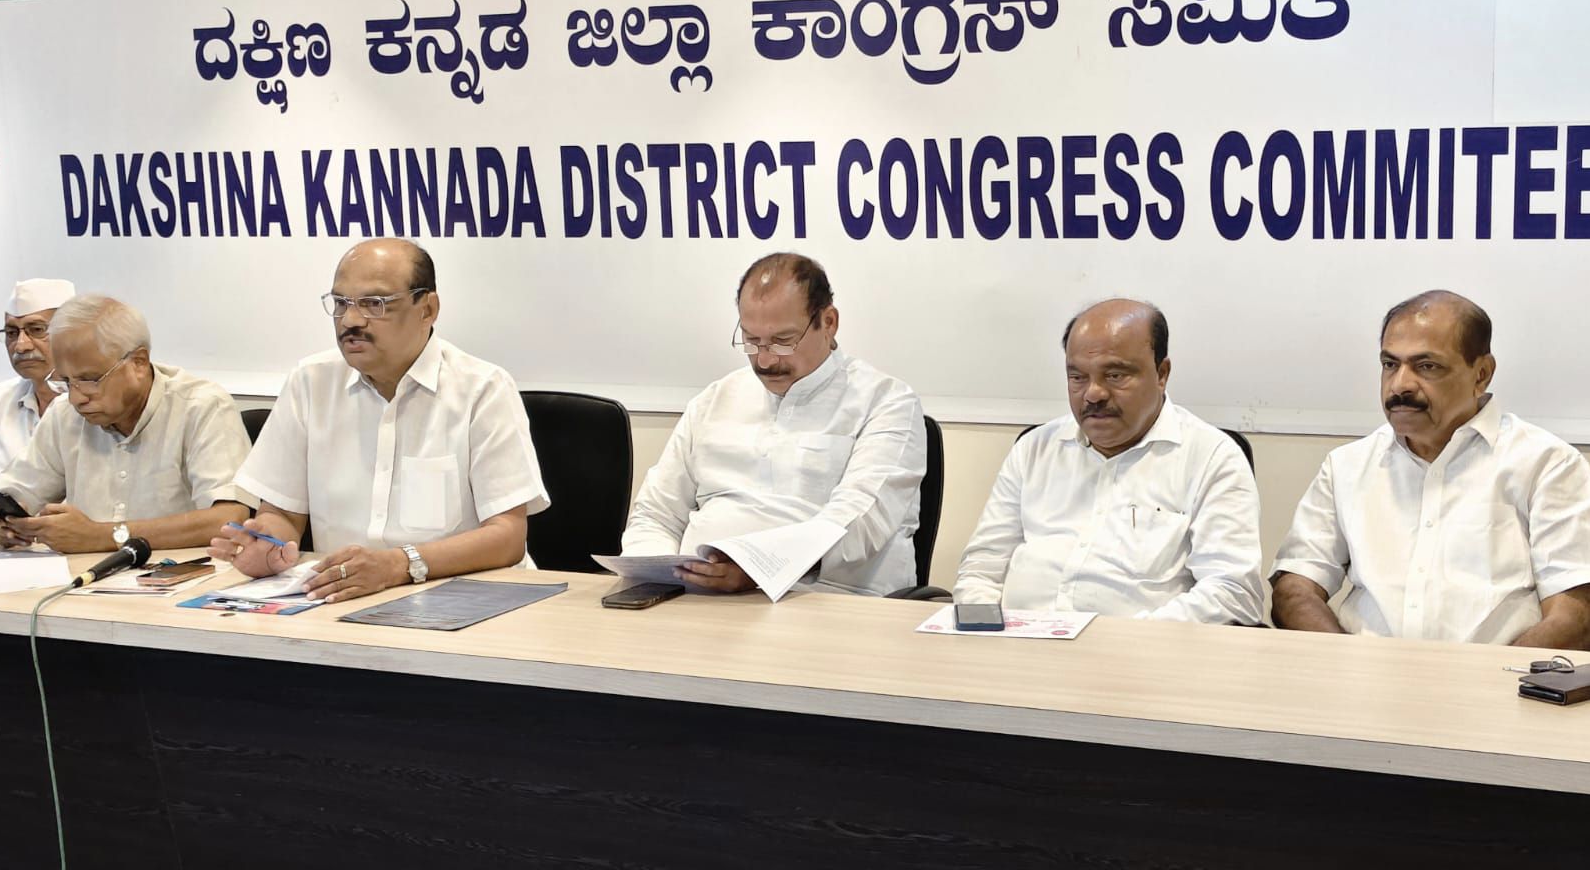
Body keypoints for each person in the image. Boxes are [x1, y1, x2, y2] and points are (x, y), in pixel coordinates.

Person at [212, 238, 549, 603]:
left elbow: (507, 537)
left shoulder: (482, 389)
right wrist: (267, 545)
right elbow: (282, 514)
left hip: (469, 599)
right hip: (342, 599)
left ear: (428, 309)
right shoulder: (310, 382)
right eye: (341, 303)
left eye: (375, 304)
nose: (351, 320)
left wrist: (397, 565)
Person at [1271, 290, 1590, 647]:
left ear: (1481, 374)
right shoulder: (1347, 466)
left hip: (1494, 676)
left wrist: (1494, 678)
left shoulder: (1547, 465)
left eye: (1427, 366)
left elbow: (1576, 616)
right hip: (1361, 672)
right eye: (1390, 364)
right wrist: (1344, 664)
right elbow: (1294, 589)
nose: (1400, 385)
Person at [621, 252, 925, 596]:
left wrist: (757, 568)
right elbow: (656, 514)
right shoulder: (714, 400)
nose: (765, 361)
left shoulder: (886, 401)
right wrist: (655, 577)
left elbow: (858, 523)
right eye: (751, 340)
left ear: (828, 322)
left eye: (783, 341)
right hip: (697, 604)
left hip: (826, 603)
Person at [954, 299, 1263, 625]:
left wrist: (1123, 642)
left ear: (1161, 374)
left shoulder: (1212, 457)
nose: (1093, 394)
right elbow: (982, 567)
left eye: (1115, 375)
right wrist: (982, 630)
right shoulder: (1034, 449)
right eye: (1077, 377)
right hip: (1015, 644)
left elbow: (1232, 592)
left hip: (1141, 650)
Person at [0, 294, 251, 552]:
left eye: (89, 379)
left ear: (138, 362)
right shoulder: (64, 413)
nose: (76, 398)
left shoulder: (202, 407)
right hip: (79, 573)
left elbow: (229, 519)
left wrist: (103, 536)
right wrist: (3, 523)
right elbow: (16, 492)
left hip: (181, 572)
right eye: (66, 381)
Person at [0, 278, 75, 475]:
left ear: (72, 332)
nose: (21, 346)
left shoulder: (96, 403)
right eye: (11, 332)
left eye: (37, 330)